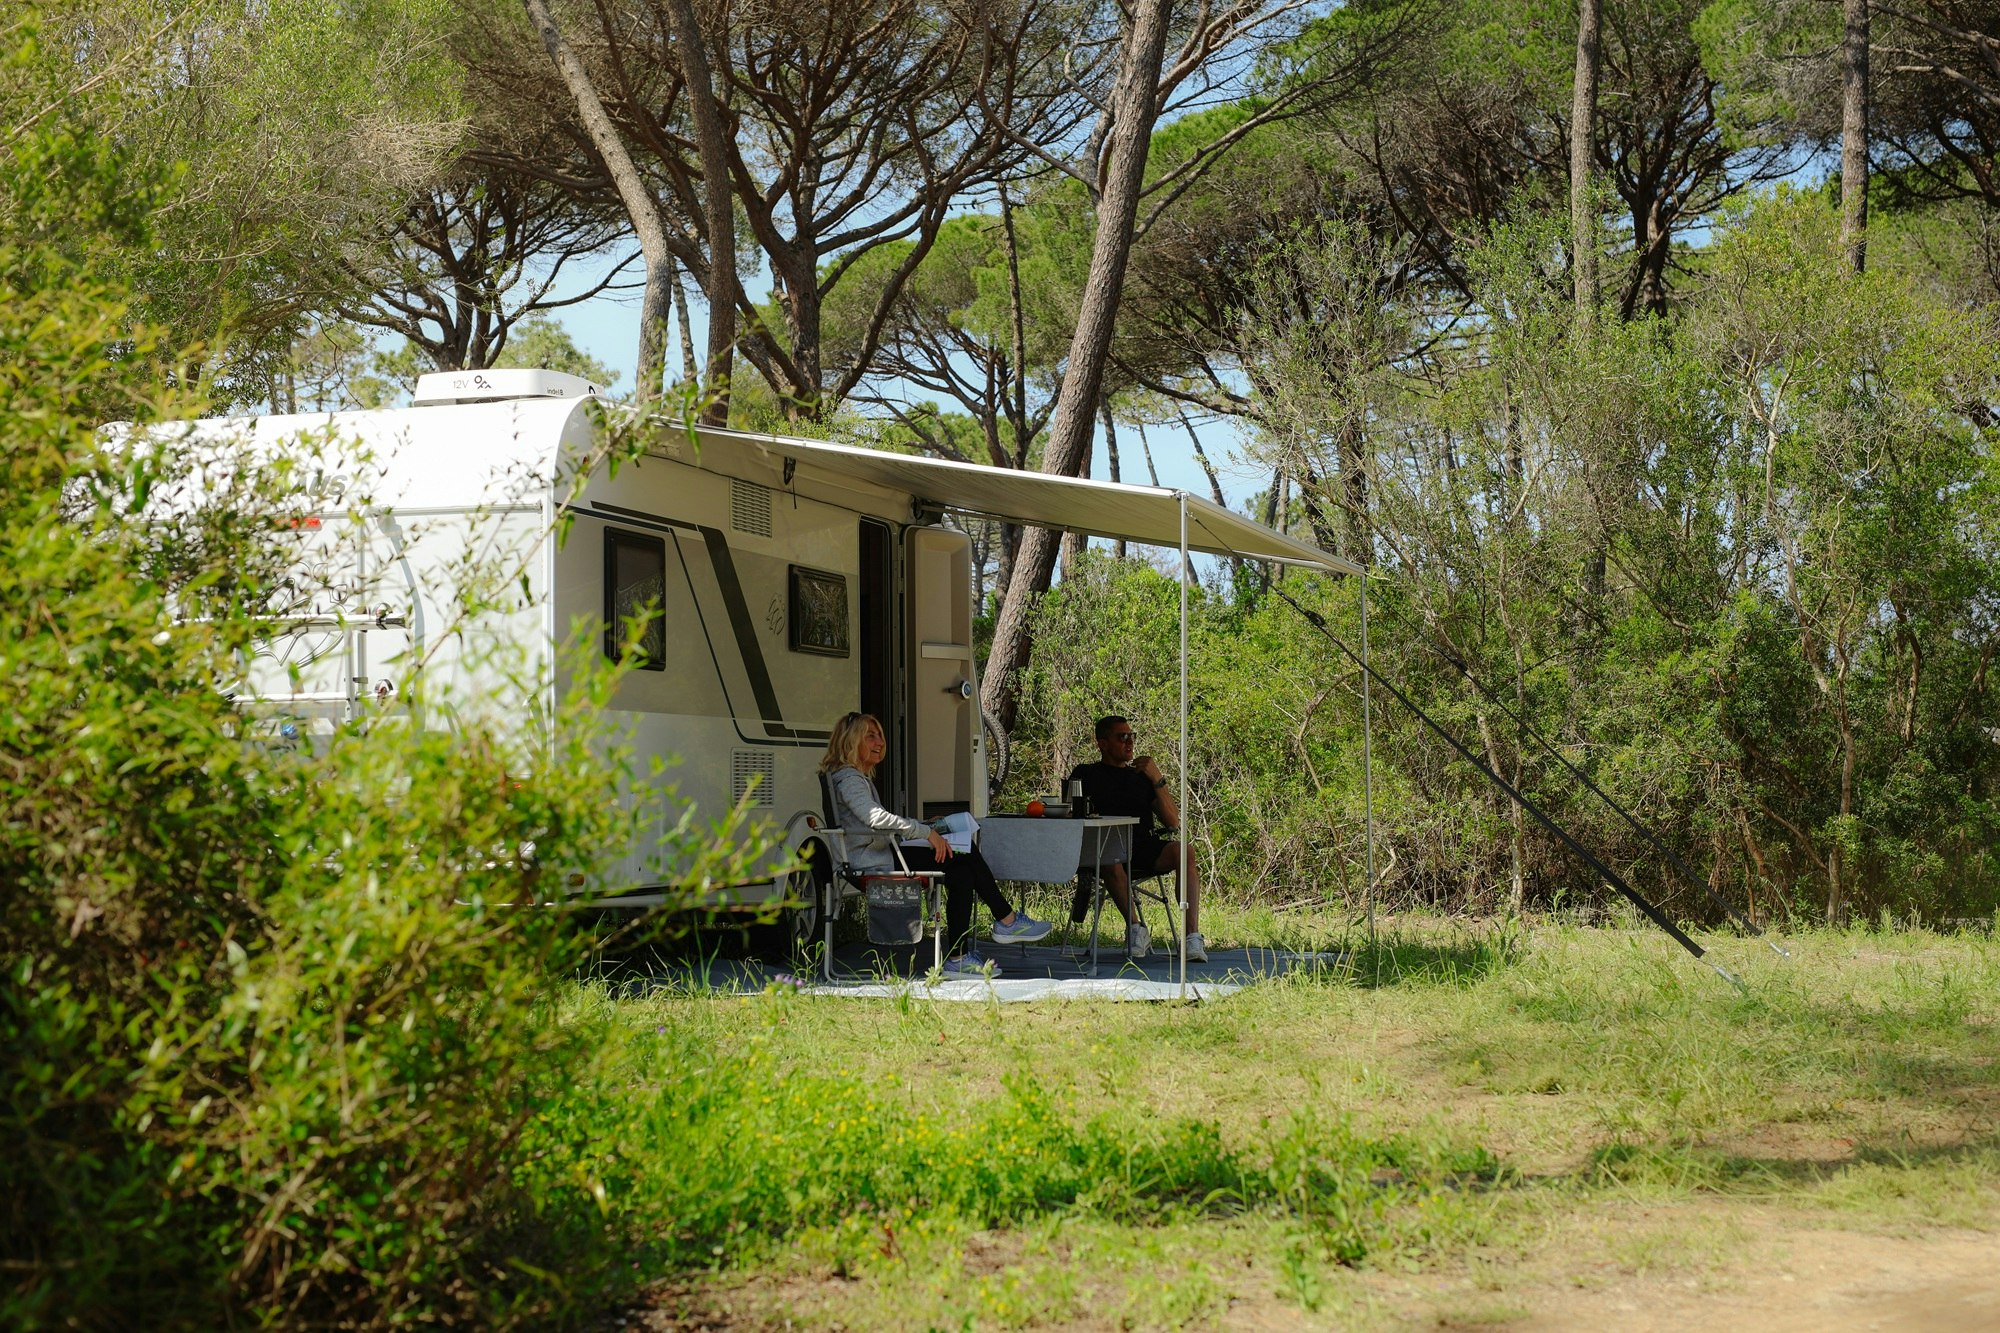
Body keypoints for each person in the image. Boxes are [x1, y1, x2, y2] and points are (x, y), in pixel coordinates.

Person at [820, 712, 1052, 975]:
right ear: (851, 741)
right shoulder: (850, 779)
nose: (880, 742)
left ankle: (967, 951)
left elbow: (875, 821)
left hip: (878, 853)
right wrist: (925, 832)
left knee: (961, 869)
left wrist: (928, 825)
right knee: (962, 856)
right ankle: (1001, 925)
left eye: (880, 736)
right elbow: (874, 818)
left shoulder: (852, 777)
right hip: (872, 861)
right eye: (870, 736)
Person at [1065, 715, 1206, 963]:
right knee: (1108, 854)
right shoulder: (1086, 774)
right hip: (1104, 850)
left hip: (1142, 847)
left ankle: (1192, 936)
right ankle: (1135, 928)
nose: (1130, 742)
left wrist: (1157, 779)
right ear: (1103, 743)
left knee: (1185, 851)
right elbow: (1069, 811)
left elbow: (1172, 822)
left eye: (1132, 736)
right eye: (1122, 737)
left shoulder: (1141, 777)